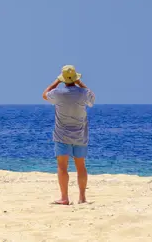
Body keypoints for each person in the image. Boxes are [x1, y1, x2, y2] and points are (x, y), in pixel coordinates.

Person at [42, 65, 96, 205]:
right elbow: (92, 98)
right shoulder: (83, 93)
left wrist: (56, 81)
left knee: (62, 166)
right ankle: (82, 198)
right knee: (81, 166)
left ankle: (64, 197)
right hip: (80, 134)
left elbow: (45, 94)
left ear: (63, 79)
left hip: (62, 135)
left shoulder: (58, 93)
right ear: (75, 78)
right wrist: (80, 83)